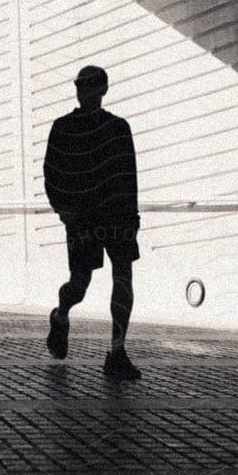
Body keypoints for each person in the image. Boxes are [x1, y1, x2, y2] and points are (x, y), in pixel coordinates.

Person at [43, 64, 141, 377]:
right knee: (87, 284)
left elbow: (52, 174)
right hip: (103, 215)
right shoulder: (115, 127)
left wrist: (63, 208)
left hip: (97, 215)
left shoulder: (64, 128)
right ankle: (64, 317)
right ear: (104, 89)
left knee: (96, 281)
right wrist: (63, 208)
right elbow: (128, 175)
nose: (86, 92)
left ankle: (116, 349)